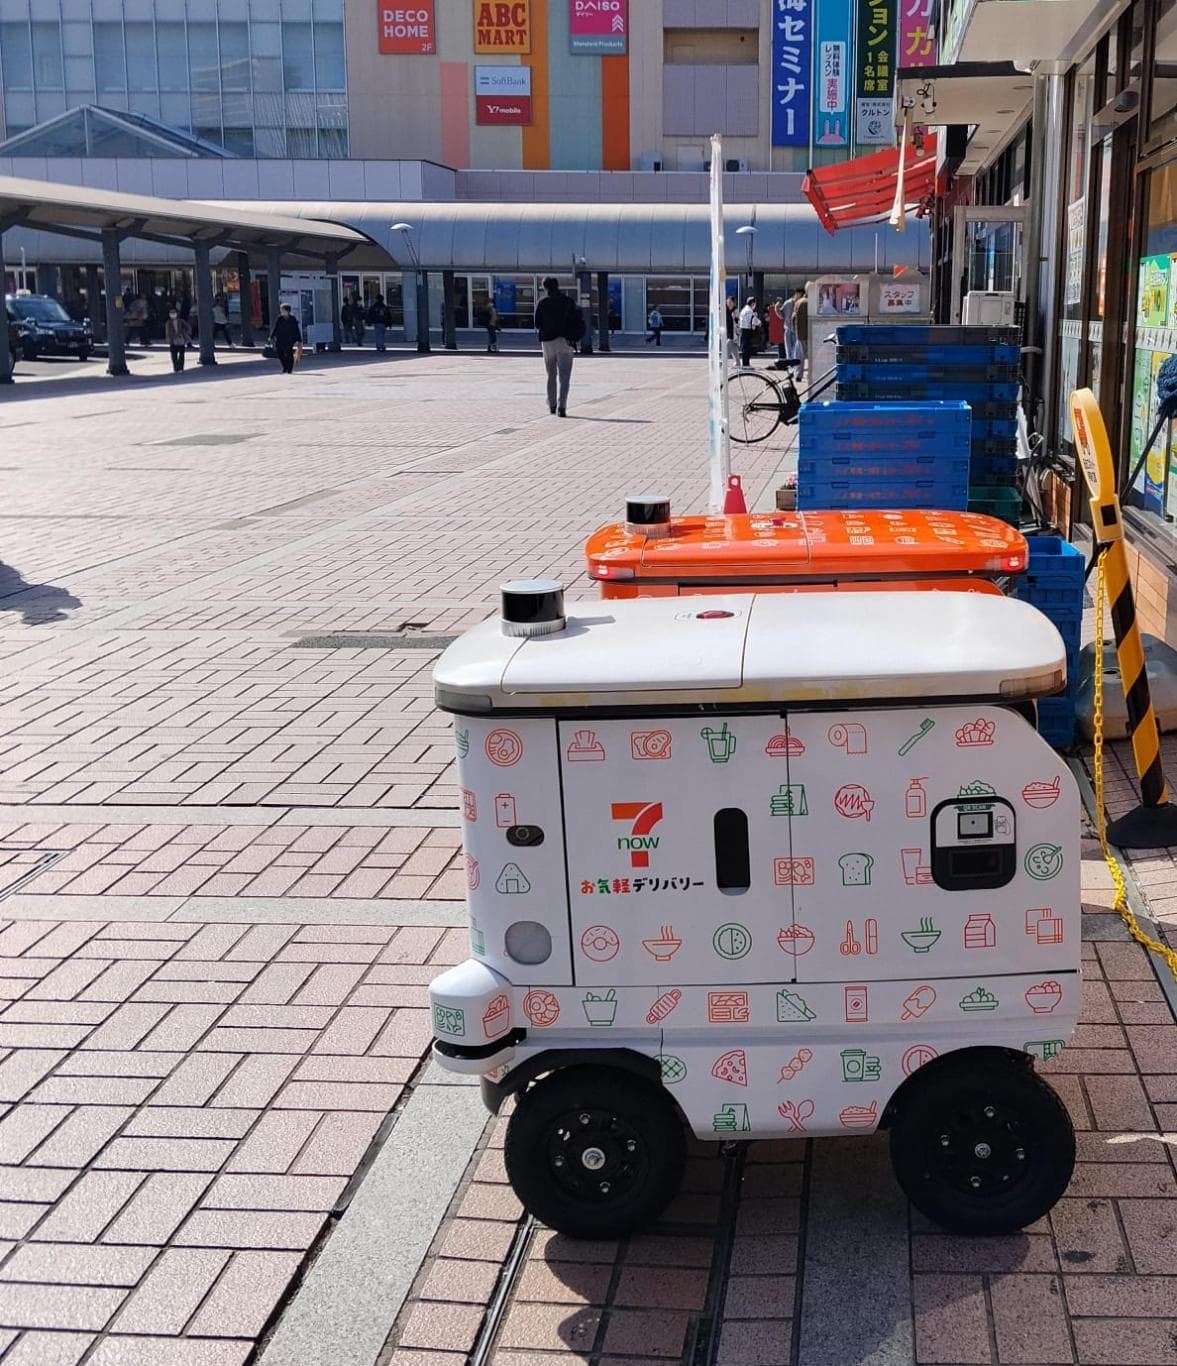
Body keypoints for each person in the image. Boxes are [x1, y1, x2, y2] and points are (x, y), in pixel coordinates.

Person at [534, 275, 580, 417]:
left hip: (548, 342)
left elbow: (537, 323)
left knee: (551, 374)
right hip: (565, 341)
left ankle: (552, 404)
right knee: (565, 376)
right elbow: (576, 320)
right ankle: (562, 406)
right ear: (558, 285)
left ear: (544, 287)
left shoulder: (542, 302)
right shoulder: (568, 301)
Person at [270, 302, 302, 375]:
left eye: (282, 310)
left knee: (289, 354)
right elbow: (276, 327)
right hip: (280, 338)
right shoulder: (280, 318)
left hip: (289, 339)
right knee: (280, 353)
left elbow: (296, 329)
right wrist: (271, 336)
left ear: (287, 311)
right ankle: (285, 366)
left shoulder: (292, 319)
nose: (281, 311)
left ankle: (289, 369)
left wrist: (299, 339)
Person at [738, 296, 760, 368]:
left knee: (745, 347)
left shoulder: (743, 310)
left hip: (743, 329)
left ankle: (745, 363)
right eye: (755, 303)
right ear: (752, 303)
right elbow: (752, 321)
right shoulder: (749, 311)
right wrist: (758, 322)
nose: (755, 305)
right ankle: (746, 364)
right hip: (747, 330)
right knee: (747, 348)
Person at [792, 287, 809, 383]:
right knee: (813, 356)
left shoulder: (798, 302)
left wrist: (795, 331)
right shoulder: (812, 302)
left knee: (799, 356)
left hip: (800, 334)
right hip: (811, 333)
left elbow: (793, 318)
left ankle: (798, 375)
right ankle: (812, 374)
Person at [768, 297, 787, 367]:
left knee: (782, 348)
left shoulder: (778, 309)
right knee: (782, 348)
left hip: (781, 332)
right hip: (782, 332)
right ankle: (783, 361)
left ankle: (782, 361)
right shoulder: (781, 309)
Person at [724, 296, 739, 363]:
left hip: (734, 331)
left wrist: (734, 317)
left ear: (734, 303)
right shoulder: (725, 310)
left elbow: (738, 322)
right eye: (728, 302)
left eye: (730, 302)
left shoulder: (736, 310)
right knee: (733, 347)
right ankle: (737, 362)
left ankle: (723, 361)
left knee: (728, 344)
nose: (729, 303)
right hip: (727, 330)